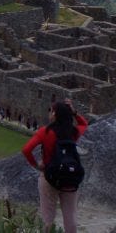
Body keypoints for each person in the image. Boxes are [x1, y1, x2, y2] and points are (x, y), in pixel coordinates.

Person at [22, 99, 88, 232]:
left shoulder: (45, 132)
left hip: (49, 176)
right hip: (69, 177)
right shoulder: (73, 132)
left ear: (55, 114)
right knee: (70, 216)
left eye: (51, 111)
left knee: (48, 217)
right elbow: (84, 124)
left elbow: (26, 149)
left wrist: (37, 165)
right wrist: (74, 112)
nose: (49, 113)